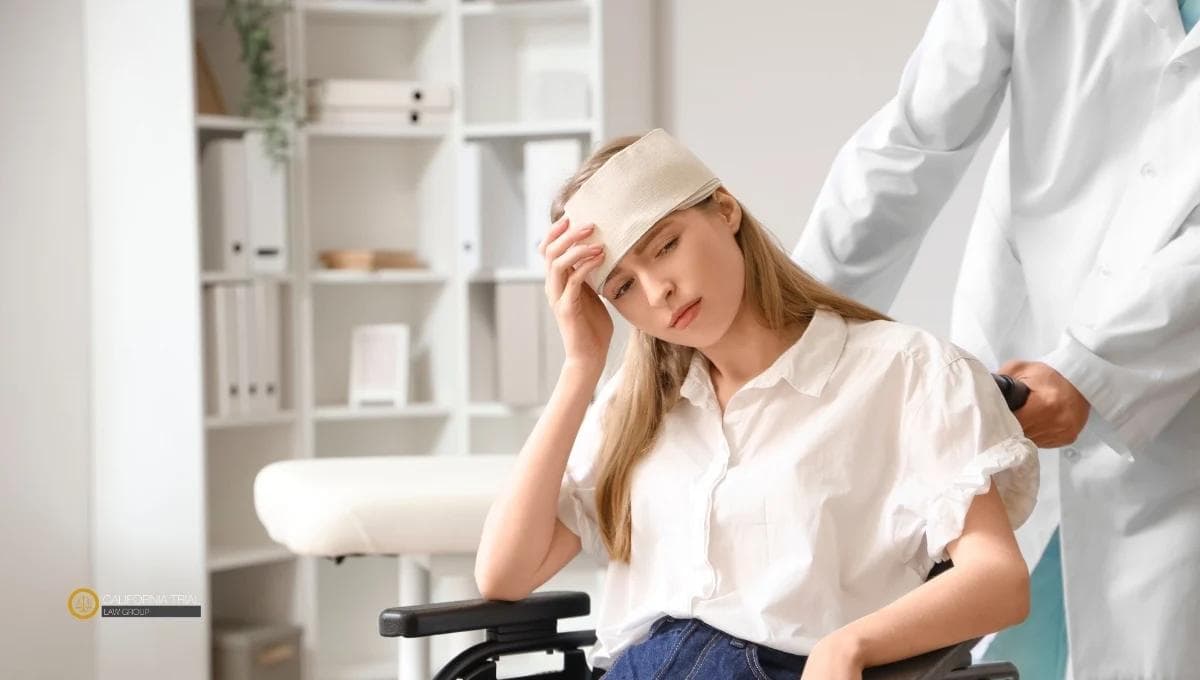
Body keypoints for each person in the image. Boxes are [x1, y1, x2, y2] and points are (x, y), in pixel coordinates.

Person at [474, 128, 1039, 680]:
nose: (656, 292)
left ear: (724, 210)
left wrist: (850, 647)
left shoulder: (905, 372)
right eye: (622, 287)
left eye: (665, 245)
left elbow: (998, 580)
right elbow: (504, 574)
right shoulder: (636, 407)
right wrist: (581, 368)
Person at [792, 2, 1200, 677]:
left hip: (1171, 381)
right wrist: (793, 324)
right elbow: (913, 138)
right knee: (994, 615)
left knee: (1149, 635)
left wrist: (1097, 370)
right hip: (1023, 313)